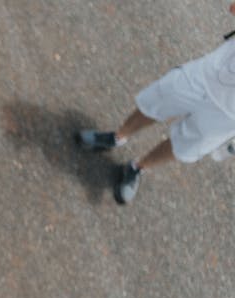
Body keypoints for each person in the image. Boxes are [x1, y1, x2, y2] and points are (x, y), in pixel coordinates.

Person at [77, 3, 235, 205]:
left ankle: (137, 168)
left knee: (185, 144)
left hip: (228, 117)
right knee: (159, 100)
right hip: (208, 75)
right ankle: (117, 137)